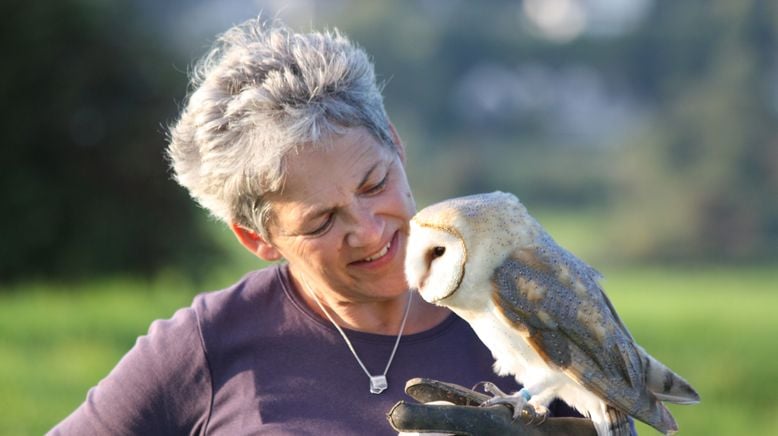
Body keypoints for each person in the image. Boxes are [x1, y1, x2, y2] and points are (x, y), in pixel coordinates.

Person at [49, 18, 584, 435]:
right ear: (256, 238)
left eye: (374, 184)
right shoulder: (204, 348)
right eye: (322, 221)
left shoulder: (533, 306)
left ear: (396, 145)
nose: (371, 232)